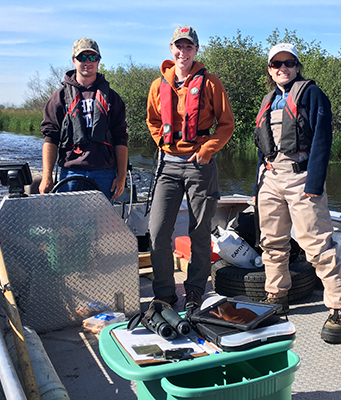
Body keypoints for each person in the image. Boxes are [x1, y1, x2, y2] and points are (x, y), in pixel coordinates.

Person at [253, 43, 341, 344]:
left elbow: (323, 140)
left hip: (301, 177)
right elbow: (263, 145)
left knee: (317, 246)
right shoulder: (268, 98)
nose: (282, 69)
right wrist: (259, 183)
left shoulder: (312, 94)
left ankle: (340, 308)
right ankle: (277, 295)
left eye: (288, 63)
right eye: (276, 64)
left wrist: (314, 184)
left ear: (297, 66)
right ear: (270, 70)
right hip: (270, 177)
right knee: (271, 242)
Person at [146, 26, 235, 311]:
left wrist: (206, 151)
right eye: (178, 46)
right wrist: (163, 142)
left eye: (188, 47)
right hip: (168, 167)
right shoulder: (158, 85)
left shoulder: (210, 83)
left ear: (196, 50)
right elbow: (153, 122)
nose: (183, 52)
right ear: (170, 49)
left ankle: (195, 290)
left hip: (200, 166)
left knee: (199, 232)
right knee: (157, 231)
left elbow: (226, 125)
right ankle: (164, 292)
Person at [39, 38, 128, 201]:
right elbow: (50, 138)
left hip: (105, 172)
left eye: (92, 57)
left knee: (101, 225)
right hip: (70, 171)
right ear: (74, 60)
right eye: (82, 57)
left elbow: (121, 138)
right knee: (67, 224)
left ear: (98, 61)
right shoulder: (59, 97)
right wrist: (47, 176)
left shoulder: (112, 97)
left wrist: (121, 176)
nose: (88, 62)